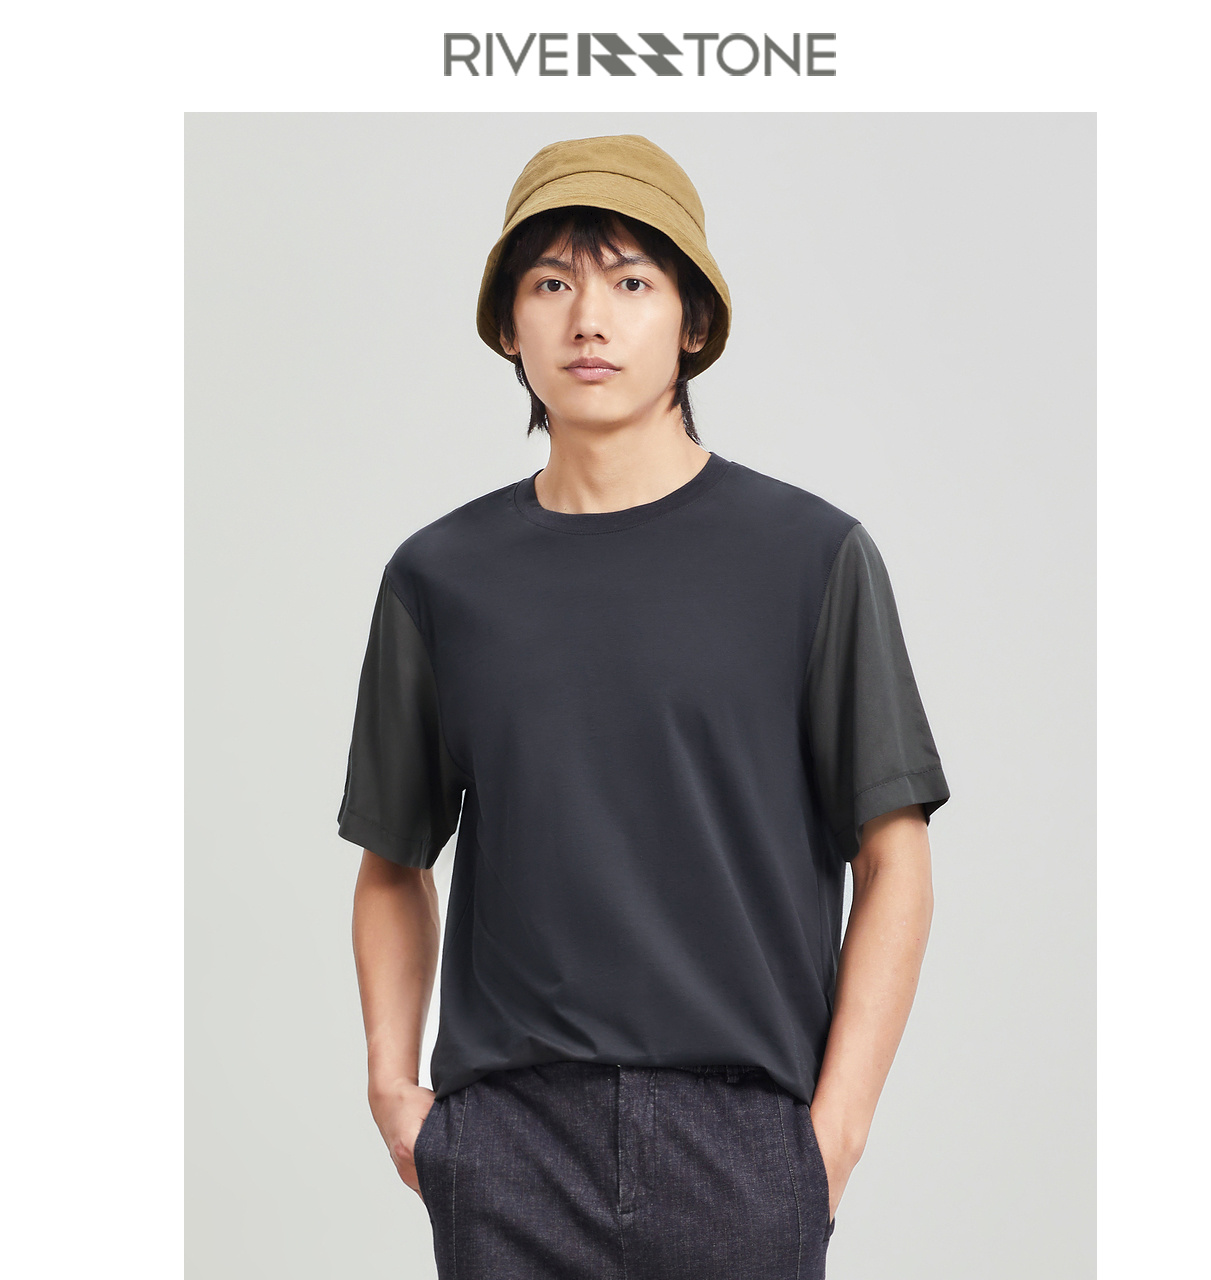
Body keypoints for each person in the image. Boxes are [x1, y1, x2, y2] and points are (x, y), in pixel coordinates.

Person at [337, 134, 951, 1280]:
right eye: (550, 284)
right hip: (510, 1145)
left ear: (693, 321)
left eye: (629, 282)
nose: (588, 320)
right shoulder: (440, 578)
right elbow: (391, 857)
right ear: (507, 324)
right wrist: (393, 1087)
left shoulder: (809, 558)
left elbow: (893, 855)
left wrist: (828, 1139)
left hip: (741, 1143)